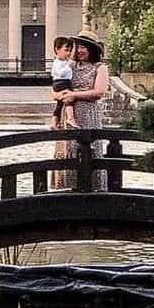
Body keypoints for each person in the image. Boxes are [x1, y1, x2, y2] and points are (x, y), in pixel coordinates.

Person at [51, 30, 110, 191]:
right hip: (68, 113)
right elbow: (55, 89)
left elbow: (99, 92)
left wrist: (74, 95)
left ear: (92, 49)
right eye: (77, 47)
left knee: (90, 149)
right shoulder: (69, 65)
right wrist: (59, 100)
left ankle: (92, 188)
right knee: (68, 150)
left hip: (88, 114)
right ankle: (68, 189)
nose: (79, 51)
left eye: (83, 47)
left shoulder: (99, 67)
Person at [50, 36, 78, 130]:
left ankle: (54, 123)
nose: (68, 53)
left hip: (64, 82)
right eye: (66, 50)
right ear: (57, 49)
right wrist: (68, 66)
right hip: (62, 83)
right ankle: (70, 118)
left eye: (70, 51)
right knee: (69, 100)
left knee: (59, 105)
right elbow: (59, 73)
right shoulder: (57, 62)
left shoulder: (65, 61)